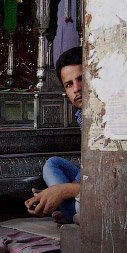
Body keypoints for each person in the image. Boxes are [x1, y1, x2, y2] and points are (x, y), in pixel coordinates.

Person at [25, 46, 82, 224]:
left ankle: (71, 213)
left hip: (102, 189)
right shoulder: (81, 115)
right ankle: (69, 209)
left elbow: (105, 179)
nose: (77, 89)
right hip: (86, 182)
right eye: (69, 84)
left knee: (67, 197)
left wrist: (60, 191)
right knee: (53, 164)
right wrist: (59, 190)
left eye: (81, 79)